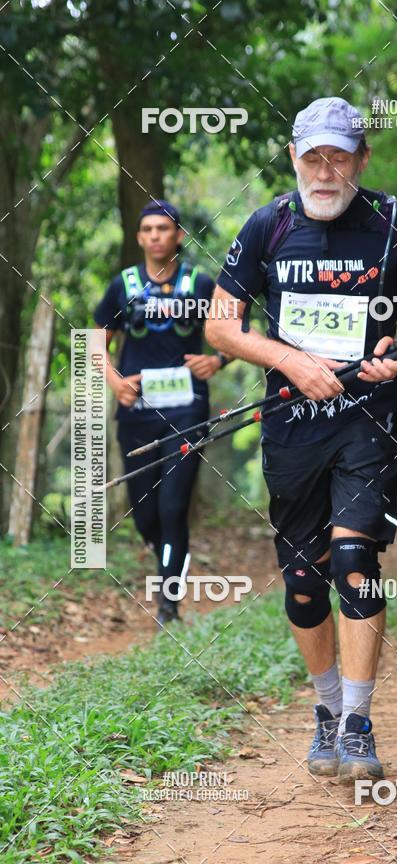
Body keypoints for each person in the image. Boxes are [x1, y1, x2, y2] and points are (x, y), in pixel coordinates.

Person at [206, 97, 397, 783]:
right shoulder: (268, 227)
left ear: (360, 160)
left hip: (368, 416)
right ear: (293, 158)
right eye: (313, 155)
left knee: (353, 560)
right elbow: (222, 329)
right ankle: (328, 709)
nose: (325, 168)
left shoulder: (394, 222)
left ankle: (360, 722)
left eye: (338, 155)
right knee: (305, 582)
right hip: (289, 421)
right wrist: (290, 361)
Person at [94, 199, 229, 627]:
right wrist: (114, 380)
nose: (155, 236)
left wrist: (219, 360)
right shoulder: (124, 285)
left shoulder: (200, 283)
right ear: (139, 238)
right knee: (146, 513)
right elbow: (97, 341)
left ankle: (168, 605)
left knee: (173, 507)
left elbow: (238, 332)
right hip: (136, 412)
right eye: (148, 229)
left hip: (188, 410)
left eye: (164, 229)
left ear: (178, 237)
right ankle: (168, 558)